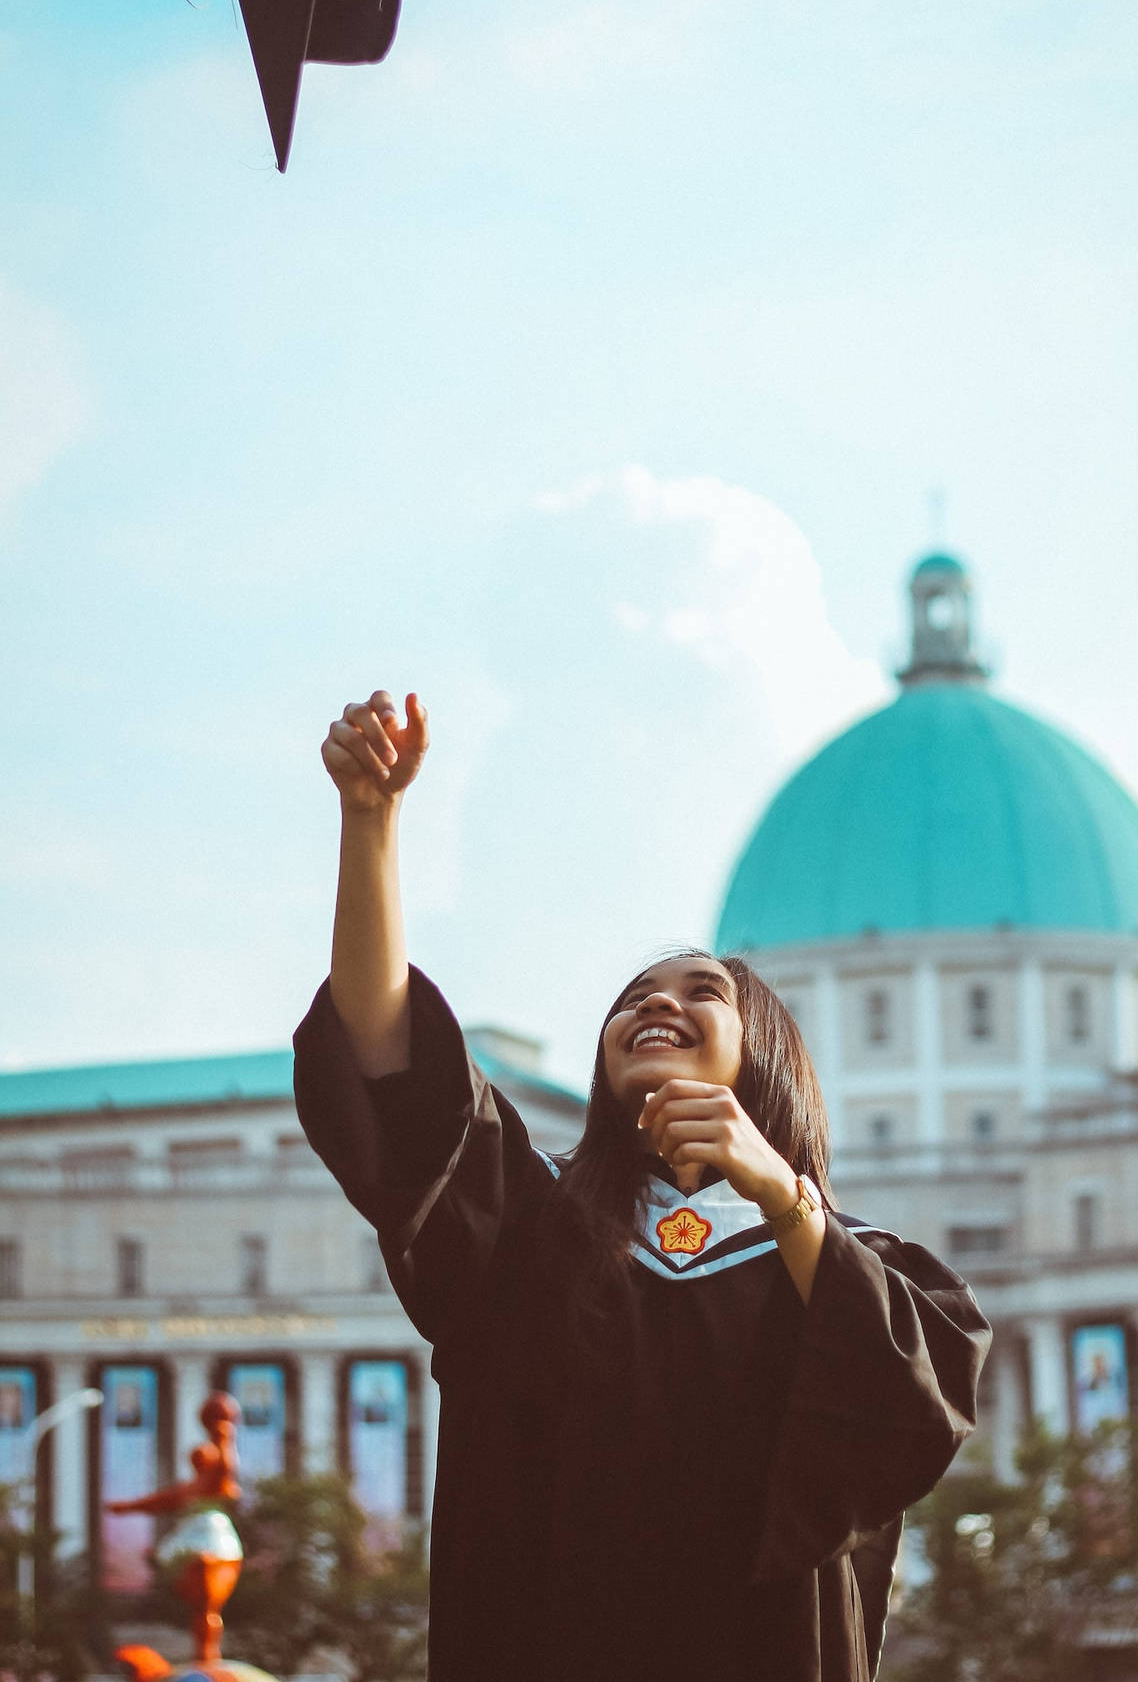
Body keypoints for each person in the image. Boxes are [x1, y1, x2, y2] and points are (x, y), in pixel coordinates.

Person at [294, 690, 991, 1682]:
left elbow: (907, 1412)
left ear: (766, 1061)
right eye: (632, 1000)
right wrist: (370, 821)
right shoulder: (526, 1231)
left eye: (699, 992)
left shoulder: (855, 1271)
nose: (656, 1002)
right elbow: (390, 1065)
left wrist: (780, 1195)